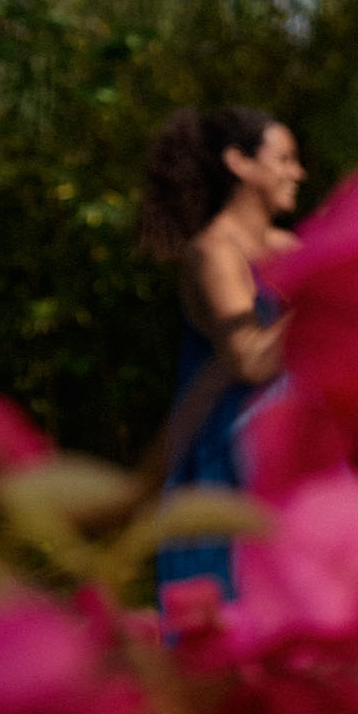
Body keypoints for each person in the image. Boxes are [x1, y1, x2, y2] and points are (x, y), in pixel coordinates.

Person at [137, 105, 305, 596]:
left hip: (291, 460)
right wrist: (324, 300)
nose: (299, 172)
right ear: (240, 163)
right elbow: (249, 358)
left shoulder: (290, 247)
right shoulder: (213, 253)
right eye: (286, 159)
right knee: (226, 642)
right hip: (223, 474)